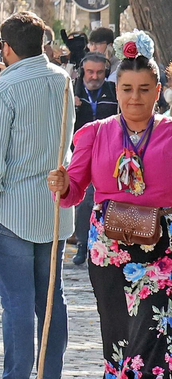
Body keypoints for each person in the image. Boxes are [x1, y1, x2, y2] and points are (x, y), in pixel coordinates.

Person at [49, 41, 172, 379]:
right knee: (119, 337)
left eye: (144, 89)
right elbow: (74, 191)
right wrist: (62, 183)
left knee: (152, 333)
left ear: (158, 91)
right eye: (127, 88)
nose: (135, 97)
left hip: (162, 249)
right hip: (109, 249)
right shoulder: (94, 133)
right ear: (116, 89)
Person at [0, 11, 72, 379]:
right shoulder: (62, 80)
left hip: (10, 208)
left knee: (17, 302)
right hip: (53, 204)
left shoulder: (4, 90)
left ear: (5, 48)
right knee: (51, 301)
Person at [71, 51, 119, 265]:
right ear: (83, 71)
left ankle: (106, 243)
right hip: (80, 153)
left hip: (109, 154)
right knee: (84, 200)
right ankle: (83, 244)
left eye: (99, 72)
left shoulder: (112, 91)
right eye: (90, 72)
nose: (94, 76)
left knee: (104, 199)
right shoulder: (73, 90)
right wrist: (72, 107)